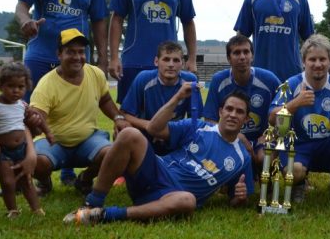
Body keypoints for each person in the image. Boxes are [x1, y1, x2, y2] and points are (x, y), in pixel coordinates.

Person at [63, 86, 253, 224]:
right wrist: (177, 97)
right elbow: (154, 128)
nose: (232, 115)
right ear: (220, 111)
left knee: (188, 201)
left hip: (173, 196)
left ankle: (106, 215)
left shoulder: (242, 158)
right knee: (130, 134)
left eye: (239, 112)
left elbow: (235, 201)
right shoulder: (198, 127)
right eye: (229, 109)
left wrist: (240, 197)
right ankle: (91, 204)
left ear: (245, 119)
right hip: (155, 171)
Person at [15, 0, 109, 186]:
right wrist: (26, 21)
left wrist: (103, 56)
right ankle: (26, 174)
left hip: (76, 54)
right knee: (25, 114)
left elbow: (100, 19)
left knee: (75, 108)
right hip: (41, 53)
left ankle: (69, 172)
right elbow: (22, 5)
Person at [30, 28, 130, 196]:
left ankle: (85, 179)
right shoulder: (46, 84)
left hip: (88, 139)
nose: (77, 57)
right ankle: (44, 181)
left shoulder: (95, 73)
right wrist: (33, 121)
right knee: (37, 161)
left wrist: (118, 117)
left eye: (81, 52)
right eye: (70, 52)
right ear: (59, 54)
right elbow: (38, 118)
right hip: (55, 142)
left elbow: (105, 100)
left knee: (112, 153)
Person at [269, 34, 330, 207]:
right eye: (312, 59)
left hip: (326, 144)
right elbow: (272, 118)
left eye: (323, 59)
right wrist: (295, 103)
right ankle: (299, 184)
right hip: (299, 145)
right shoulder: (291, 84)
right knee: (293, 172)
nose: (318, 64)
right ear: (304, 62)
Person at [203, 34, 280, 176]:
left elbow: (283, 113)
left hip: (263, 138)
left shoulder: (269, 79)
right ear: (228, 58)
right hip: (231, 137)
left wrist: (271, 135)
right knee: (232, 164)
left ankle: (267, 184)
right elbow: (209, 120)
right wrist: (236, 136)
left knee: (265, 159)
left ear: (252, 56)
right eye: (236, 53)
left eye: (246, 52)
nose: (242, 57)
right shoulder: (218, 81)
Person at [234, 0, 314, 81]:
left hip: (292, 73)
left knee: (289, 103)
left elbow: (310, 39)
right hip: (259, 72)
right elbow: (240, 38)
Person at [120, 41, 202, 155]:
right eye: (166, 59)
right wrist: (150, 126)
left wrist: (169, 132)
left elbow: (195, 121)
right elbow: (125, 114)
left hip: (176, 135)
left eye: (176, 60)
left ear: (182, 64)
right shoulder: (143, 78)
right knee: (122, 130)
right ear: (156, 61)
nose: (171, 64)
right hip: (146, 134)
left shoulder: (190, 81)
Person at [0, 63, 47, 217]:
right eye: (10, 86)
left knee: (27, 181)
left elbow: (36, 124)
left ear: (27, 86)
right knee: (8, 183)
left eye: (21, 87)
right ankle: (13, 210)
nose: (16, 90)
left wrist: (47, 132)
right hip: (3, 152)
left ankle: (36, 209)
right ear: (1, 85)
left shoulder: (22, 105)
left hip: (21, 149)